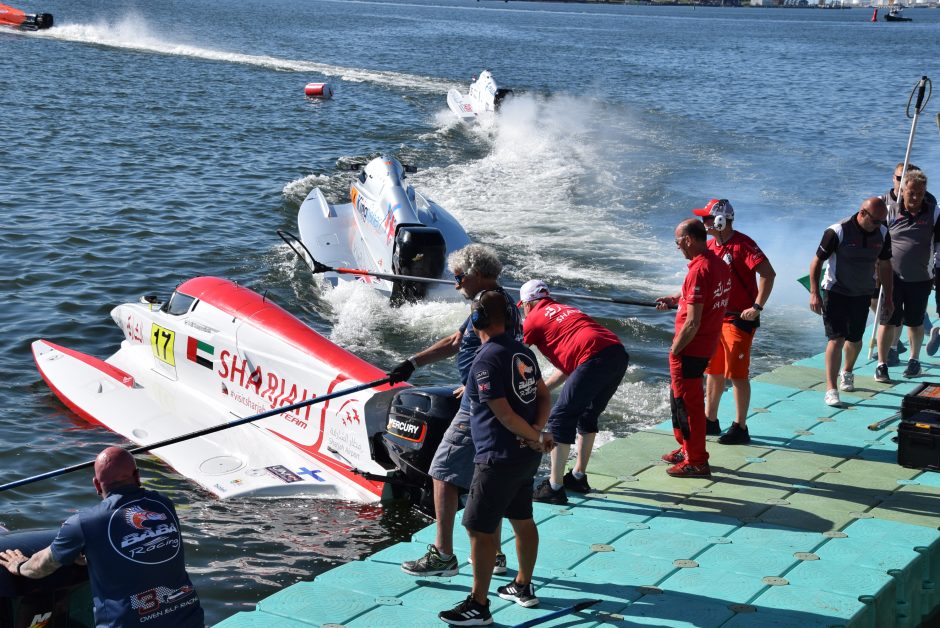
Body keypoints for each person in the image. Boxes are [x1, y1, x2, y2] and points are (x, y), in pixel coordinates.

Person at [388, 243, 522, 578]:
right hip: (489, 401)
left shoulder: (486, 304)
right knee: (482, 478)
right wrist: (412, 363)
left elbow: (494, 347)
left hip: (479, 407)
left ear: (476, 274)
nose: (455, 283)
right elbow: (457, 342)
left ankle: (443, 555)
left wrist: (477, 382)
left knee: (442, 473)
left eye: (459, 277)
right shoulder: (501, 301)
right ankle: (493, 555)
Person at [439, 291, 552, 626]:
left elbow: (502, 414)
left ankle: (478, 604)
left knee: (478, 528)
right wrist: (536, 432)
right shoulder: (523, 353)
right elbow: (544, 396)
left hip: (496, 458)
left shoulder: (485, 360)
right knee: (522, 519)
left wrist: (536, 436)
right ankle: (522, 586)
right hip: (523, 458)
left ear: (476, 321)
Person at [0, 447, 204, 627]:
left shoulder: (83, 524)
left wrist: (18, 566)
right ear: (138, 476)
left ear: (97, 485)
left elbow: (41, 567)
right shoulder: (164, 504)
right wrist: (95, 554)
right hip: (189, 618)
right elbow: (141, 543)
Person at [516, 280, 629, 504]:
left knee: (560, 418)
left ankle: (554, 488)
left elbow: (511, 354)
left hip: (593, 358)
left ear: (528, 304)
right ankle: (577, 477)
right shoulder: (567, 310)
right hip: (616, 353)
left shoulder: (533, 320)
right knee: (587, 415)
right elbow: (573, 367)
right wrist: (543, 391)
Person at [690, 199, 776, 446]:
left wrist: (757, 307)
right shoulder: (709, 247)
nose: (703, 223)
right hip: (715, 318)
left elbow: (768, 274)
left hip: (739, 319)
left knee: (737, 374)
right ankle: (710, 419)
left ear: (719, 220)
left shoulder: (744, 245)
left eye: (707, 218)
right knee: (713, 370)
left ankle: (740, 426)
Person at [655, 219, 731, 478]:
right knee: (680, 400)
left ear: (689, 239)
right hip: (706, 345)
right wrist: (675, 299)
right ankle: (686, 449)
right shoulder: (718, 263)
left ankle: (696, 460)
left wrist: (676, 349)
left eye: (678, 242)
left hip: (690, 349)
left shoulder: (699, 270)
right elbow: (699, 297)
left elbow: (693, 321)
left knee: (687, 405)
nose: (678, 248)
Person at [809, 197, 893, 406]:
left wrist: (888, 296)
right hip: (836, 291)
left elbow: (885, 265)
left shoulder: (882, 233)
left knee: (855, 340)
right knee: (836, 339)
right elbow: (817, 262)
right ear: (862, 213)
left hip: (863, 292)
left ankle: (847, 371)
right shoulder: (837, 231)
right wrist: (814, 292)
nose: (879, 226)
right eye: (876, 221)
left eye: (883, 222)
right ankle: (831, 388)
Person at [875, 169, 939, 381]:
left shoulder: (934, 213)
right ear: (902, 191)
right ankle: (882, 364)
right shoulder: (889, 212)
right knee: (887, 322)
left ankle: (914, 361)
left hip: (921, 278)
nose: (915, 198)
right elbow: (877, 243)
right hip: (891, 279)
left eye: (920, 193)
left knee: (915, 322)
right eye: (911, 193)